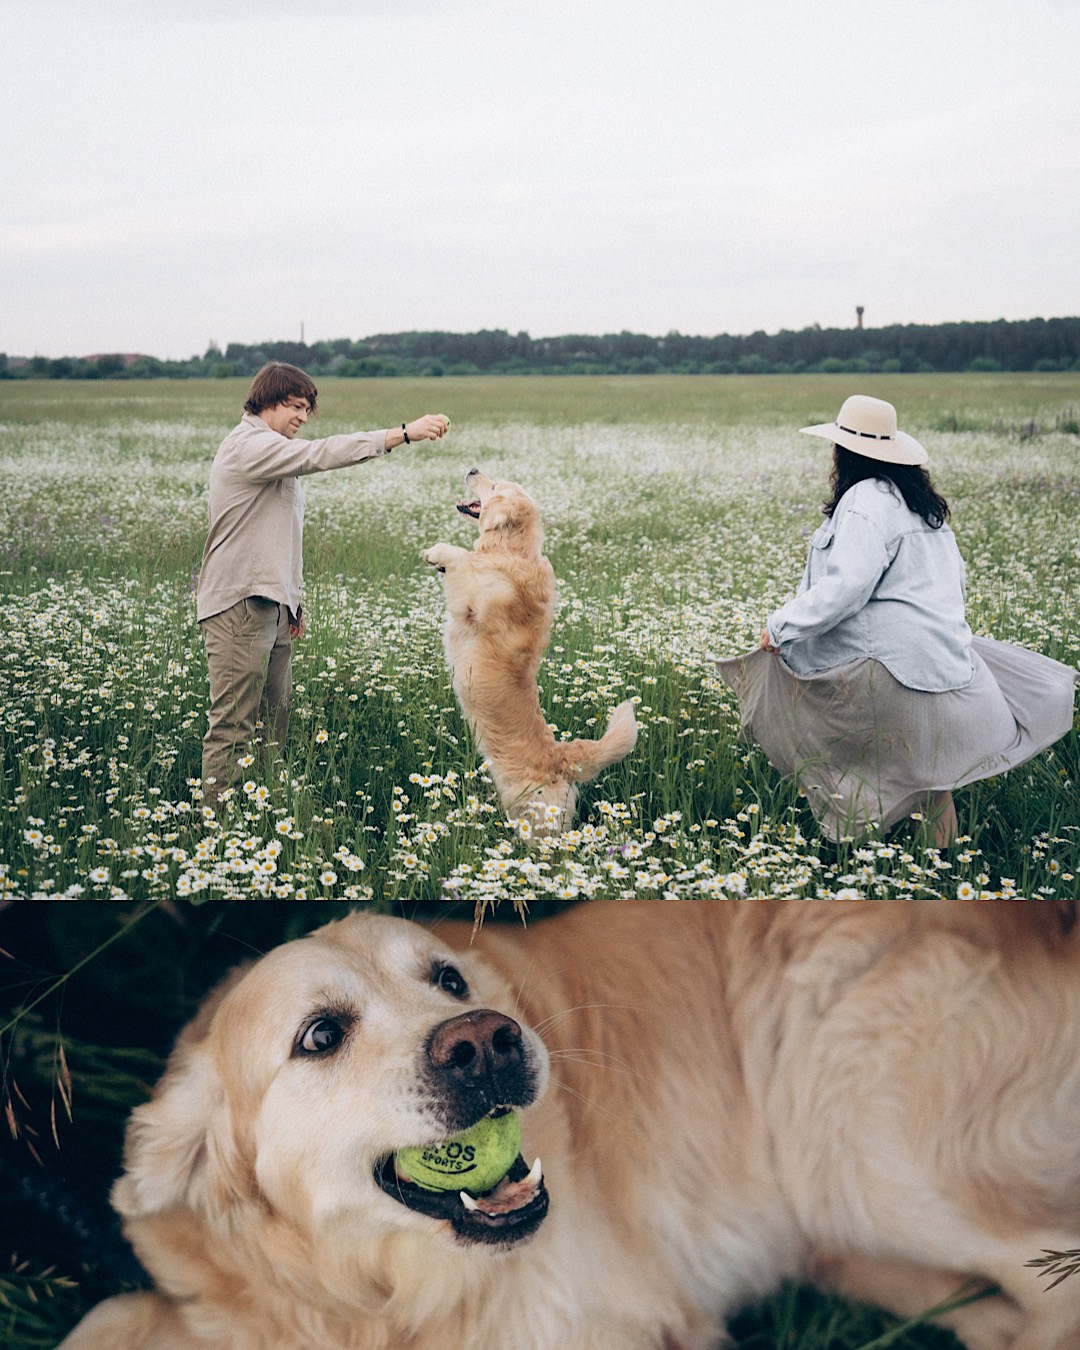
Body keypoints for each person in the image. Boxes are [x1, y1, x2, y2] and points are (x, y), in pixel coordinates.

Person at [714, 394, 1077, 846]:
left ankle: (861, 858)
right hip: (946, 669)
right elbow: (955, 585)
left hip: (893, 673)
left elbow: (847, 586)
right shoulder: (920, 505)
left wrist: (780, 626)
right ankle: (938, 871)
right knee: (930, 785)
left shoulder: (864, 500)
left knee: (852, 759)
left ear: (842, 453)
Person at [196, 361, 449, 810]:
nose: (303, 417)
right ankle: (215, 825)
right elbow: (321, 453)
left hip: (272, 604)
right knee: (232, 727)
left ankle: (260, 816)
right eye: (295, 406)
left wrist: (292, 600)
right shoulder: (248, 446)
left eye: (306, 408)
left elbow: (279, 533)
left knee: (273, 724)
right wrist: (401, 434)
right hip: (238, 603)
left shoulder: (274, 449)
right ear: (267, 401)